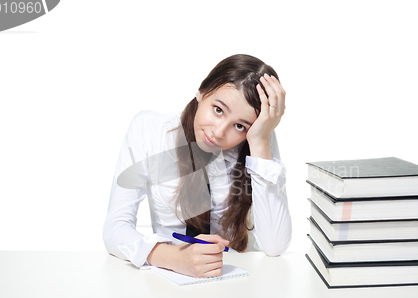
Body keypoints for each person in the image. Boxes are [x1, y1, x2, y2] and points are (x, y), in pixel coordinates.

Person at [103, 54, 292, 278]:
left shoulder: (258, 140)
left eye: (240, 126)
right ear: (201, 92)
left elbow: (275, 246)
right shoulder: (149, 130)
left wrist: (260, 141)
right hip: (168, 281)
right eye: (218, 110)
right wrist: (171, 257)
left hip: (239, 280)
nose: (219, 132)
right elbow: (115, 228)